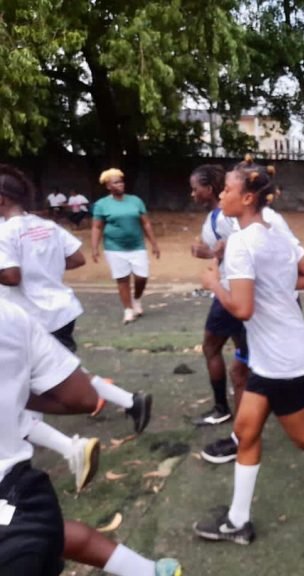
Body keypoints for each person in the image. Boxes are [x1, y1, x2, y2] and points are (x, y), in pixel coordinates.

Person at [192, 158, 304, 545]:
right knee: (246, 430)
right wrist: (277, 291)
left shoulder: (240, 243)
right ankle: (238, 520)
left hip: (280, 358)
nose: (222, 194)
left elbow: (242, 308)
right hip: (276, 352)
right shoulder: (276, 233)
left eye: (228, 190)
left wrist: (213, 283)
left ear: (248, 197)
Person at [0, 298, 181, 576]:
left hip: (12, 508)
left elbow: (12, 273)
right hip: (19, 499)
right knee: (42, 529)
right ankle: (148, 571)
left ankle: (81, 440)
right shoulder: (8, 314)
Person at [0, 164, 152, 492]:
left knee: (39, 384)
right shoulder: (45, 225)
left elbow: (11, 275)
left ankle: (117, 412)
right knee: (54, 376)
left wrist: (29, 268)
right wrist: (45, 265)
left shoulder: (4, 233)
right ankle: (122, 407)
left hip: (32, 316)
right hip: (60, 309)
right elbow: (76, 258)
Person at [188, 163, 246, 431]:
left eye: (195, 189)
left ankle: (222, 408)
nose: (192, 194)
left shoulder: (224, 216)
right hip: (234, 288)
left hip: (230, 291)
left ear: (208, 189)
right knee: (245, 351)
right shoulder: (217, 216)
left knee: (211, 347)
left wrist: (208, 254)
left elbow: (239, 246)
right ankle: (248, 401)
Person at [91, 168, 160, 324]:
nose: (120, 184)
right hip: (114, 247)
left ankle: (136, 299)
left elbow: (146, 223)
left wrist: (154, 243)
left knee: (142, 277)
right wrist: (94, 247)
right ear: (108, 186)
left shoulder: (136, 200)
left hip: (137, 246)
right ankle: (128, 310)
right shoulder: (102, 205)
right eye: (115, 182)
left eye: (121, 181)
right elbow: (97, 227)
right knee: (122, 279)